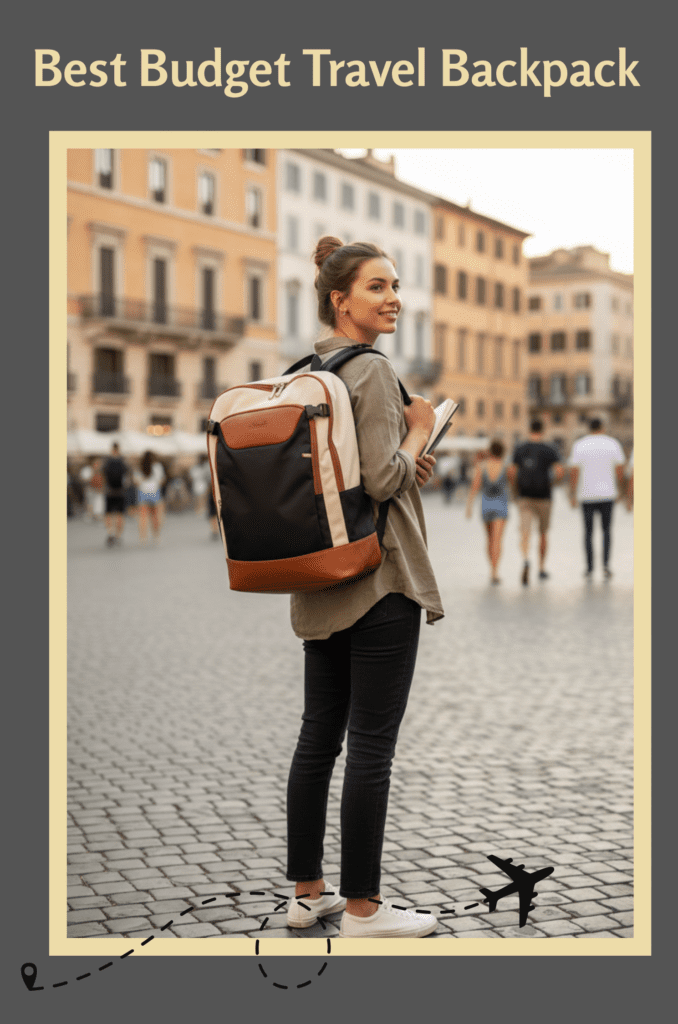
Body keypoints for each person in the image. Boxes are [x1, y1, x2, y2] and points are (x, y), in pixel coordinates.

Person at [285, 238, 443, 939]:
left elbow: (353, 474)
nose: (393, 298)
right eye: (376, 286)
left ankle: (307, 893)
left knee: (317, 740)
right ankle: (363, 910)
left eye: (396, 285)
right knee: (370, 744)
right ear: (338, 298)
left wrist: (411, 461)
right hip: (378, 582)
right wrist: (419, 432)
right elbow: (382, 480)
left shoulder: (307, 371)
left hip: (320, 583)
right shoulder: (373, 371)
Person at [568, 418, 626, 578]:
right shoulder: (613, 443)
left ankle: (589, 567)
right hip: (607, 494)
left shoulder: (579, 445)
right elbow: (620, 470)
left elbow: (574, 471)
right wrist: (621, 490)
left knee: (588, 532)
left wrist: (572, 493)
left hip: (586, 495)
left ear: (589, 428)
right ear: (603, 428)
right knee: (606, 531)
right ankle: (606, 565)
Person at [509, 420, 564, 585]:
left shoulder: (520, 448)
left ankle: (526, 559)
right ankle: (541, 568)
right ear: (543, 430)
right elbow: (560, 471)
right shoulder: (550, 449)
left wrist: (515, 490)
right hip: (544, 497)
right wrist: (551, 483)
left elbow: (511, 472)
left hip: (525, 496)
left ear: (529, 429)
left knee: (525, 532)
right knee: (543, 533)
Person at [465, 440, 509, 584]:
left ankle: (492, 567)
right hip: (501, 504)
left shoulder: (481, 466)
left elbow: (475, 487)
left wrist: (469, 506)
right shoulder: (506, 466)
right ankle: (494, 571)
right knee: (497, 540)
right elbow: (513, 485)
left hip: (486, 505)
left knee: (489, 540)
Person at [134, 450, 164, 543]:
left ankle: (143, 536)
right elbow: (161, 480)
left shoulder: (139, 467)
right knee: (155, 516)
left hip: (143, 492)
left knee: (143, 516)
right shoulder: (157, 466)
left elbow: (136, 481)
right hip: (154, 492)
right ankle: (156, 535)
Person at [102, 443, 129, 547]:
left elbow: (102, 474)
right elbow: (128, 476)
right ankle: (118, 535)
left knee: (108, 513)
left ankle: (110, 532)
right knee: (120, 514)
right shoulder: (123, 461)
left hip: (109, 492)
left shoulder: (107, 461)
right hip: (121, 492)